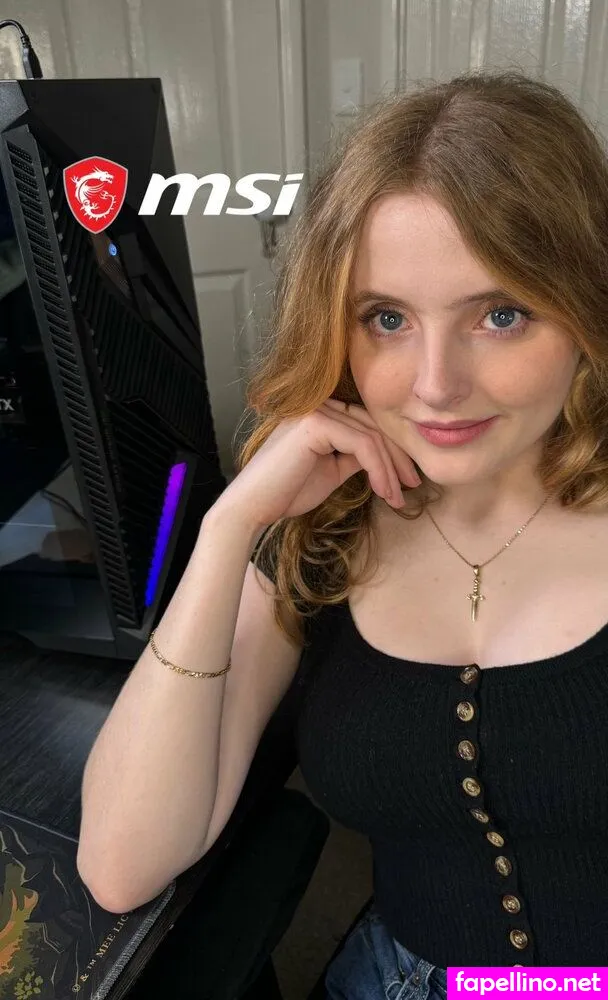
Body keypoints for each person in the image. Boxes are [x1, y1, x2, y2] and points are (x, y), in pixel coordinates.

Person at [76, 69, 608, 999]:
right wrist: (229, 528)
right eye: (387, 319)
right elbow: (122, 865)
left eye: (502, 314)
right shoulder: (323, 534)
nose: (434, 385)